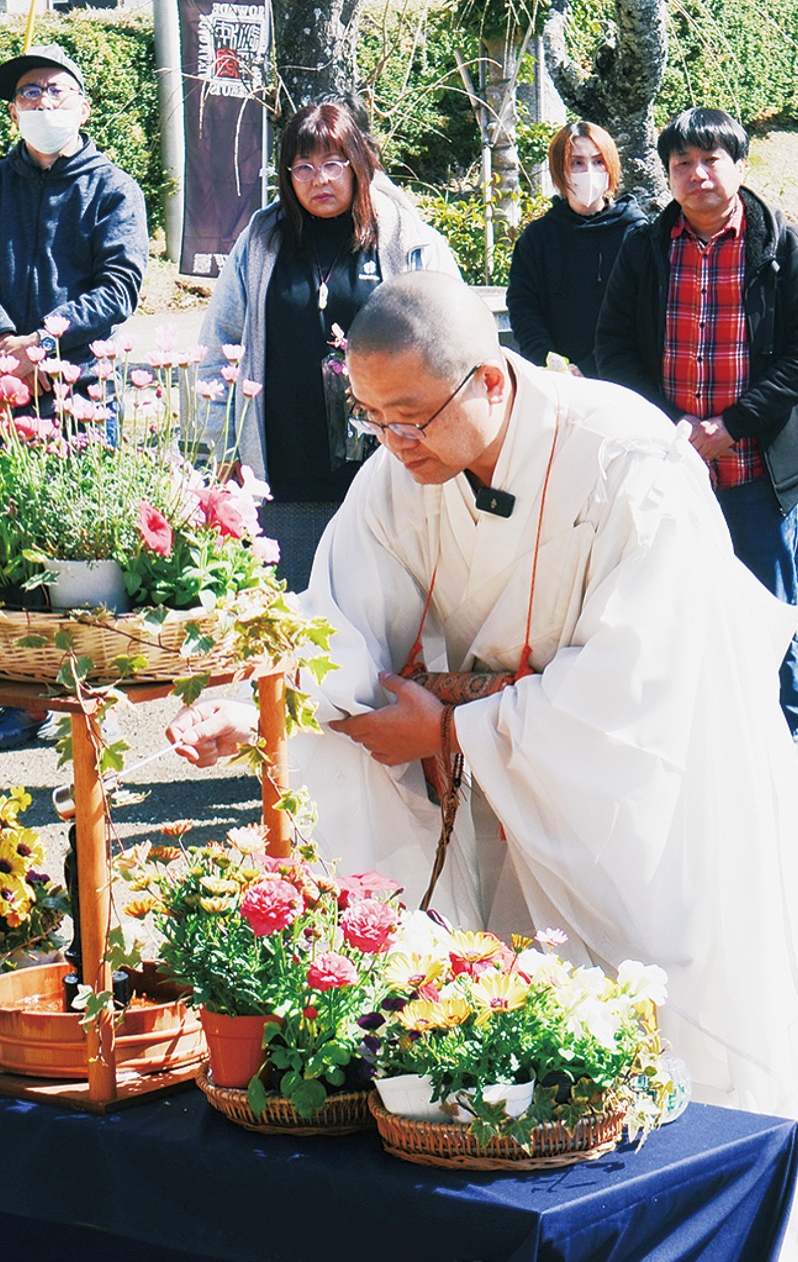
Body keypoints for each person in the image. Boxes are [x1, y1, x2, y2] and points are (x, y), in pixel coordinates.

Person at [168, 270, 798, 1120]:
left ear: (491, 381)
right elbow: (341, 628)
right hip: (510, 772)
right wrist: (263, 713)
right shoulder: (399, 472)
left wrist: (454, 731)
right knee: (508, 1031)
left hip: (649, 793)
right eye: (371, 418)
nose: (394, 442)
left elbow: (643, 677)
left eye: (412, 417)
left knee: (666, 1015)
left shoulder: (629, 462)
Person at [0, 43, 149, 750]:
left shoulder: (112, 188)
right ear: (12, 112)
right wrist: (4, 340)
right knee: (5, 540)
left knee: (84, 545)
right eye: (29, 93)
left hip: (78, 391)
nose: (42, 103)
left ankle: (91, 694)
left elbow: (120, 285)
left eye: (56, 91)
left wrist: (46, 341)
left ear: (83, 106)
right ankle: (22, 699)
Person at [193, 100, 458, 591]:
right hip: (285, 475)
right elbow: (217, 346)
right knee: (290, 611)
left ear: (359, 164)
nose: (321, 180)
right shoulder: (261, 242)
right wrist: (224, 446)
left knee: (381, 611)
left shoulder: (406, 239)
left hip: (387, 472)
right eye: (304, 167)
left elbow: (454, 343)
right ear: (287, 175)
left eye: (334, 164)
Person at [596, 107, 798, 739]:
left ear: (740, 164)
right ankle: (701, 743)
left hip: (755, 474)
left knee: (771, 616)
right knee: (674, 614)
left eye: (711, 159)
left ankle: (782, 740)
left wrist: (731, 426)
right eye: (682, 163)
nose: (697, 174)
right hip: (671, 469)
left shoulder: (782, 246)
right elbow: (613, 347)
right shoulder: (645, 248)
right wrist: (672, 425)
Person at [505, 121, 645, 376]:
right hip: (555, 379)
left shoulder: (636, 235)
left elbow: (639, 314)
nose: (589, 171)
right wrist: (550, 363)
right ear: (560, 170)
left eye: (598, 161)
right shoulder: (537, 238)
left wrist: (588, 368)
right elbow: (524, 307)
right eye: (576, 163)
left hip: (621, 378)